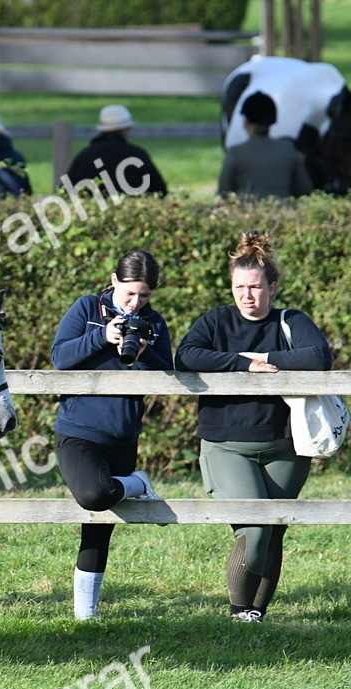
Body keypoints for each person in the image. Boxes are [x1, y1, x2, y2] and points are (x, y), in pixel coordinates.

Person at [175, 232, 332, 622]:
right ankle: (237, 612)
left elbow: (318, 357)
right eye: (239, 287)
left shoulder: (290, 320)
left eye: (256, 287)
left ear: (272, 287)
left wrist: (265, 355)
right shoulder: (215, 321)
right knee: (256, 528)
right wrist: (242, 364)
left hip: (285, 446)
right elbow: (186, 356)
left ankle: (256, 615)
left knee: (275, 530)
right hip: (226, 444)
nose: (247, 295)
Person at [51, 250, 172, 620]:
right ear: (114, 281)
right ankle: (137, 483)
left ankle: (86, 617)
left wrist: (143, 351)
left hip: (123, 434)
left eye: (145, 296)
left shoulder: (154, 323)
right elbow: (59, 357)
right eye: (130, 293)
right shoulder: (87, 308)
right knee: (94, 496)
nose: (136, 303)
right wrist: (102, 338)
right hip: (78, 431)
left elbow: (169, 370)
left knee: (100, 527)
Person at [218, 92, 313, 199]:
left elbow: (224, 192)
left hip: (247, 212)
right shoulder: (288, 150)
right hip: (285, 212)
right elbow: (304, 190)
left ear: (247, 122)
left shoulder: (235, 153)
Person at [65, 105, 168, 197]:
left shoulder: (86, 156)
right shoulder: (138, 155)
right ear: (126, 129)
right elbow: (160, 192)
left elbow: (66, 192)